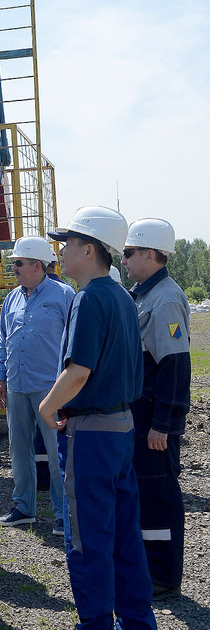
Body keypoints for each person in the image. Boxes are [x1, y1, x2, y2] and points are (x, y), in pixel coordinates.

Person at [38, 205, 158, 630]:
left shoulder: (88, 298)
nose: (60, 250)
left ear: (90, 250)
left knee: (88, 538)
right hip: (121, 428)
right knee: (125, 533)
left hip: (91, 434)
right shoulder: (123, 297)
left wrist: (49, 408)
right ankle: (138, 629)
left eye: (66, 243)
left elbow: (79, 370)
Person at [122, 218, 190, 598]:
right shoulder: (143, 294)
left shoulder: (164, 298)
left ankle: (164, 577)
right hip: (143, 418)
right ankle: (150, 568)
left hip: (155, 423)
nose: (125, 259)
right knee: (145, 495)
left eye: (130, 253)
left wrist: (163, 423)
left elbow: (175, 367)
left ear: (150, 254)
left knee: (159, 496)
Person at [0, 236, 74, 535]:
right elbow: (4, 341)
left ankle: (62, 513)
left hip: (50, 388)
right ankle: (23, 507)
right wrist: (0, 379)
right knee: (18, 449)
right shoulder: (13, 298)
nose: (13, 268)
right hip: (16, 385)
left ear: (37, 265)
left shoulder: (64, 295)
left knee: (56, 452)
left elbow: (73, 344)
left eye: (18, 263)